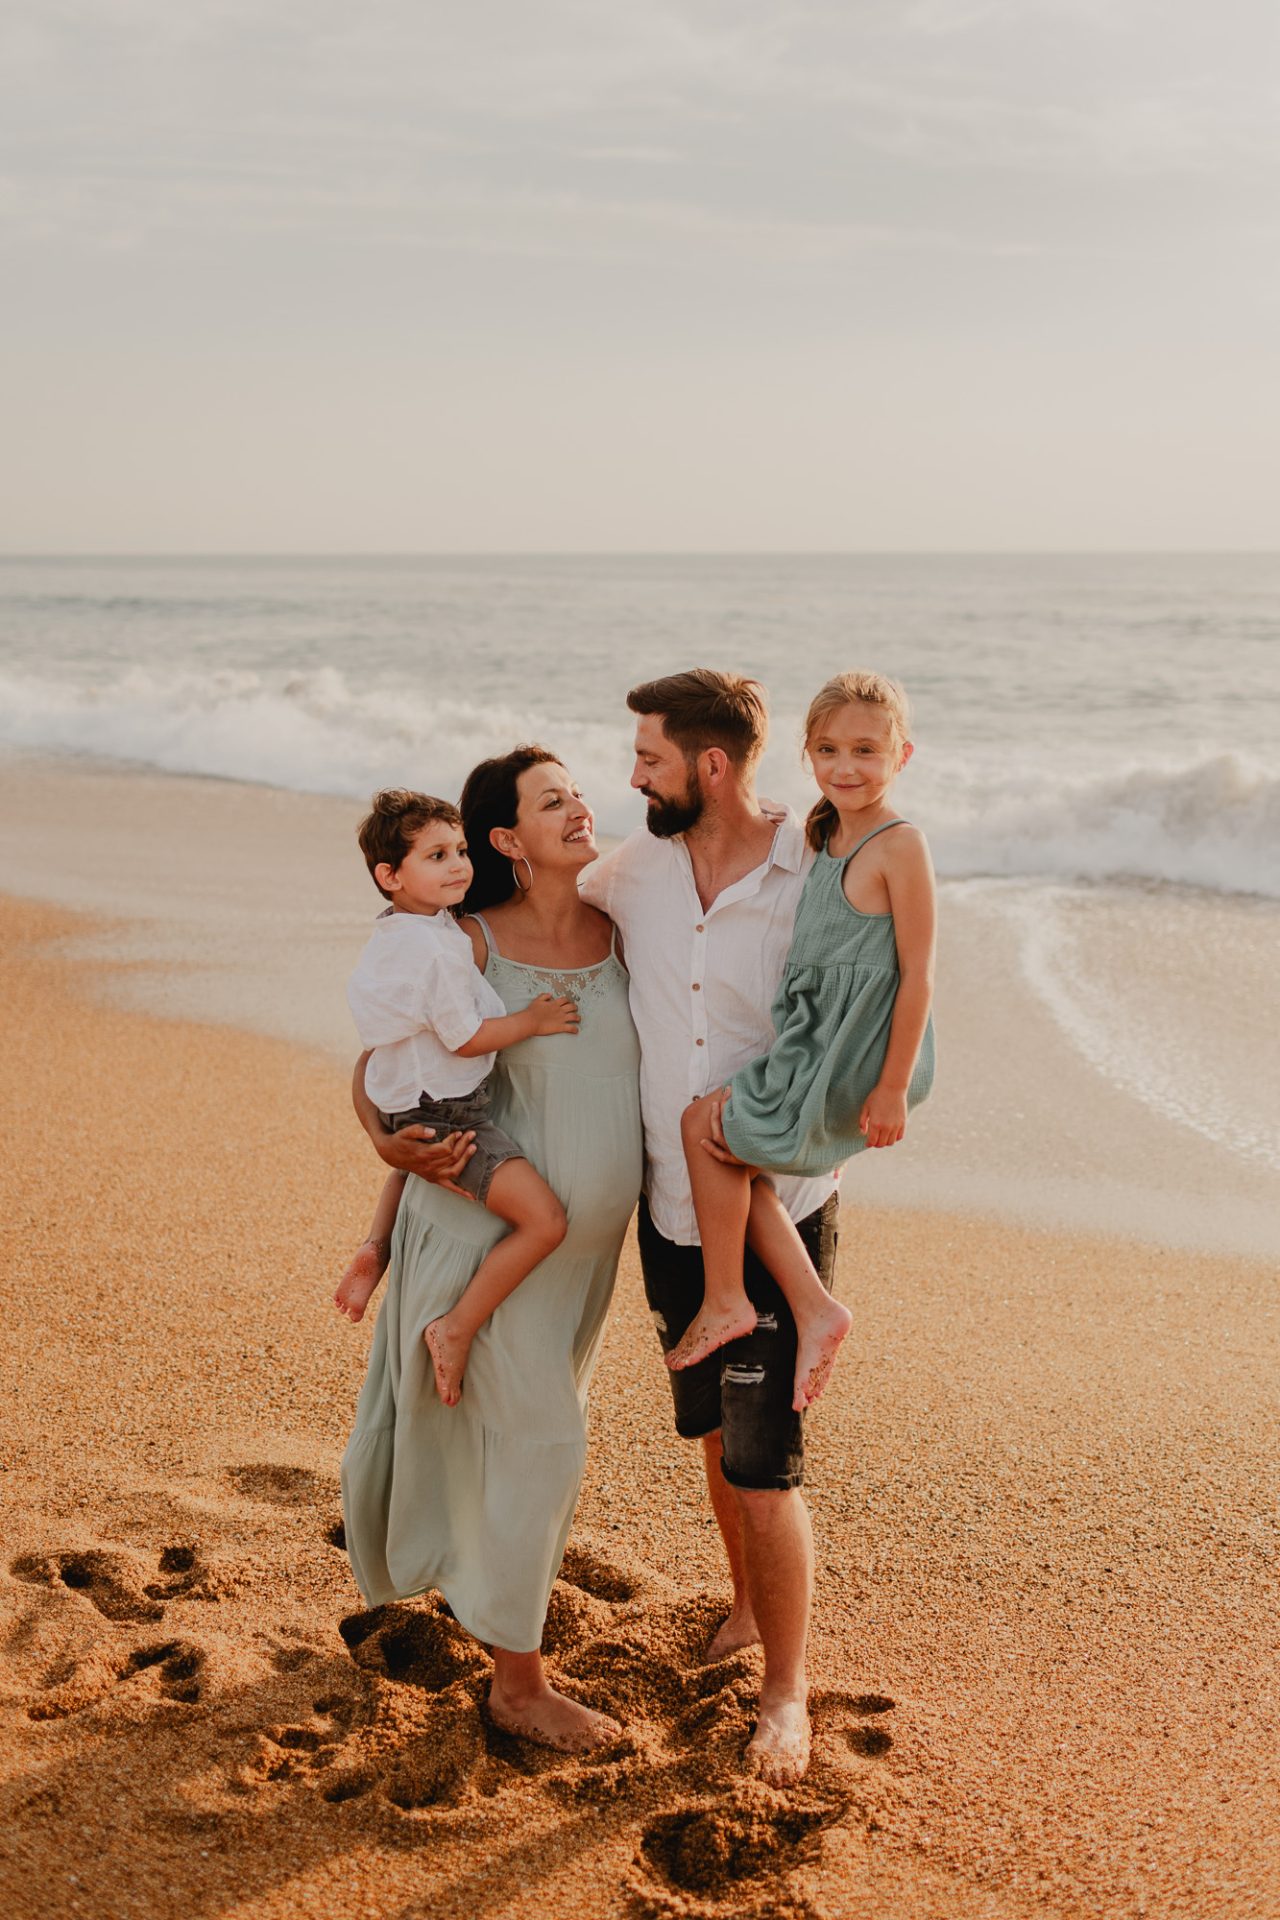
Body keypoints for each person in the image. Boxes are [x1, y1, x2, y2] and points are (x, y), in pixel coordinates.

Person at [341, 747, 642, 1756]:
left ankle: (477, 1601)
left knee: (518, 1449)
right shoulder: (465, 943)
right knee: (543, 1445)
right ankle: (518, 1685)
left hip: (575, 1265)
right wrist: (384, 1155)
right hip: (484, 1243)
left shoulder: (621, 929)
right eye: (549, 800)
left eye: (577, 791)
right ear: (505, 838)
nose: (577, 806)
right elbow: (393, 1073)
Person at [579, 667, 850, 1788]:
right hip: (668, 1209)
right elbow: (532, 906)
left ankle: (786, 1693)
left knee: (762, 1462)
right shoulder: (632, 871)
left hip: (776, 1207)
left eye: (646, 758)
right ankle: (743, 1605)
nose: (630, 776)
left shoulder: (813, 878)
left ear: (711, 765)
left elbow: (847, 1029)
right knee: (708, 1425)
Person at [666, 671, 936, 1410]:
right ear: (807, 753)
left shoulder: (899, 845)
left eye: (866, 751)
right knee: (729, 1143)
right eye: (827, 749)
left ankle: (729, 1300)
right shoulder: (823, 831)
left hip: (849, 1054)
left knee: (703, 1124)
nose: (846, 767)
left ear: (901, 756)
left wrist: (889, 1087)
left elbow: (917, 976)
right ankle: (813, 1306)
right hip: (809, 1041)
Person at [337, 787, 581, 1409]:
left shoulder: (401, 931)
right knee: (545, 1221)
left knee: (408, 1169)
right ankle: (456, 1326)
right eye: (437, 856)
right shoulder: (433, 955)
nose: (458, 866)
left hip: (403, 1102)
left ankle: (375, 1247)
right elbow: (467, 1038)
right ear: (389, 876)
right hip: (445, 1117)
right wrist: (533, 1021)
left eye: (461, 850)